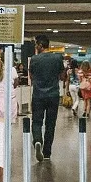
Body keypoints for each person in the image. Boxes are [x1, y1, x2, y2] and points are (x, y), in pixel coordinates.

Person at [29, 34, 65, 162]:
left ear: (40, 45)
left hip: (38, 95)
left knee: (37, 121)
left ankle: (38, 140)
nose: (35, 47)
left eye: (36, 45)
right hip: (53, 95)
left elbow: (31, 77)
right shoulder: (57, 58)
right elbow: (62, 76)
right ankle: (47, 152)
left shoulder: (34, 59)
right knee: (50, 124)